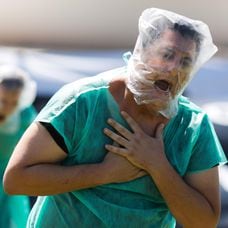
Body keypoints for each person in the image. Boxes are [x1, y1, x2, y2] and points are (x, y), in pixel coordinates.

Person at [3, 8, 227, 228]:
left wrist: (157, 165)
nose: (174, 68)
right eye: (167, 54)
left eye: (186, 62)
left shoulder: (193, 127)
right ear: (142, 52)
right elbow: (16, 179)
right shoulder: (83, 102)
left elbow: (203, 222)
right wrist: (102, 173)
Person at [0, 65, 37, 227]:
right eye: (3, 101)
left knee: (14, 219)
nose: (8, 107)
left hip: (11, 175)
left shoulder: (26, 115)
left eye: (13, 102)